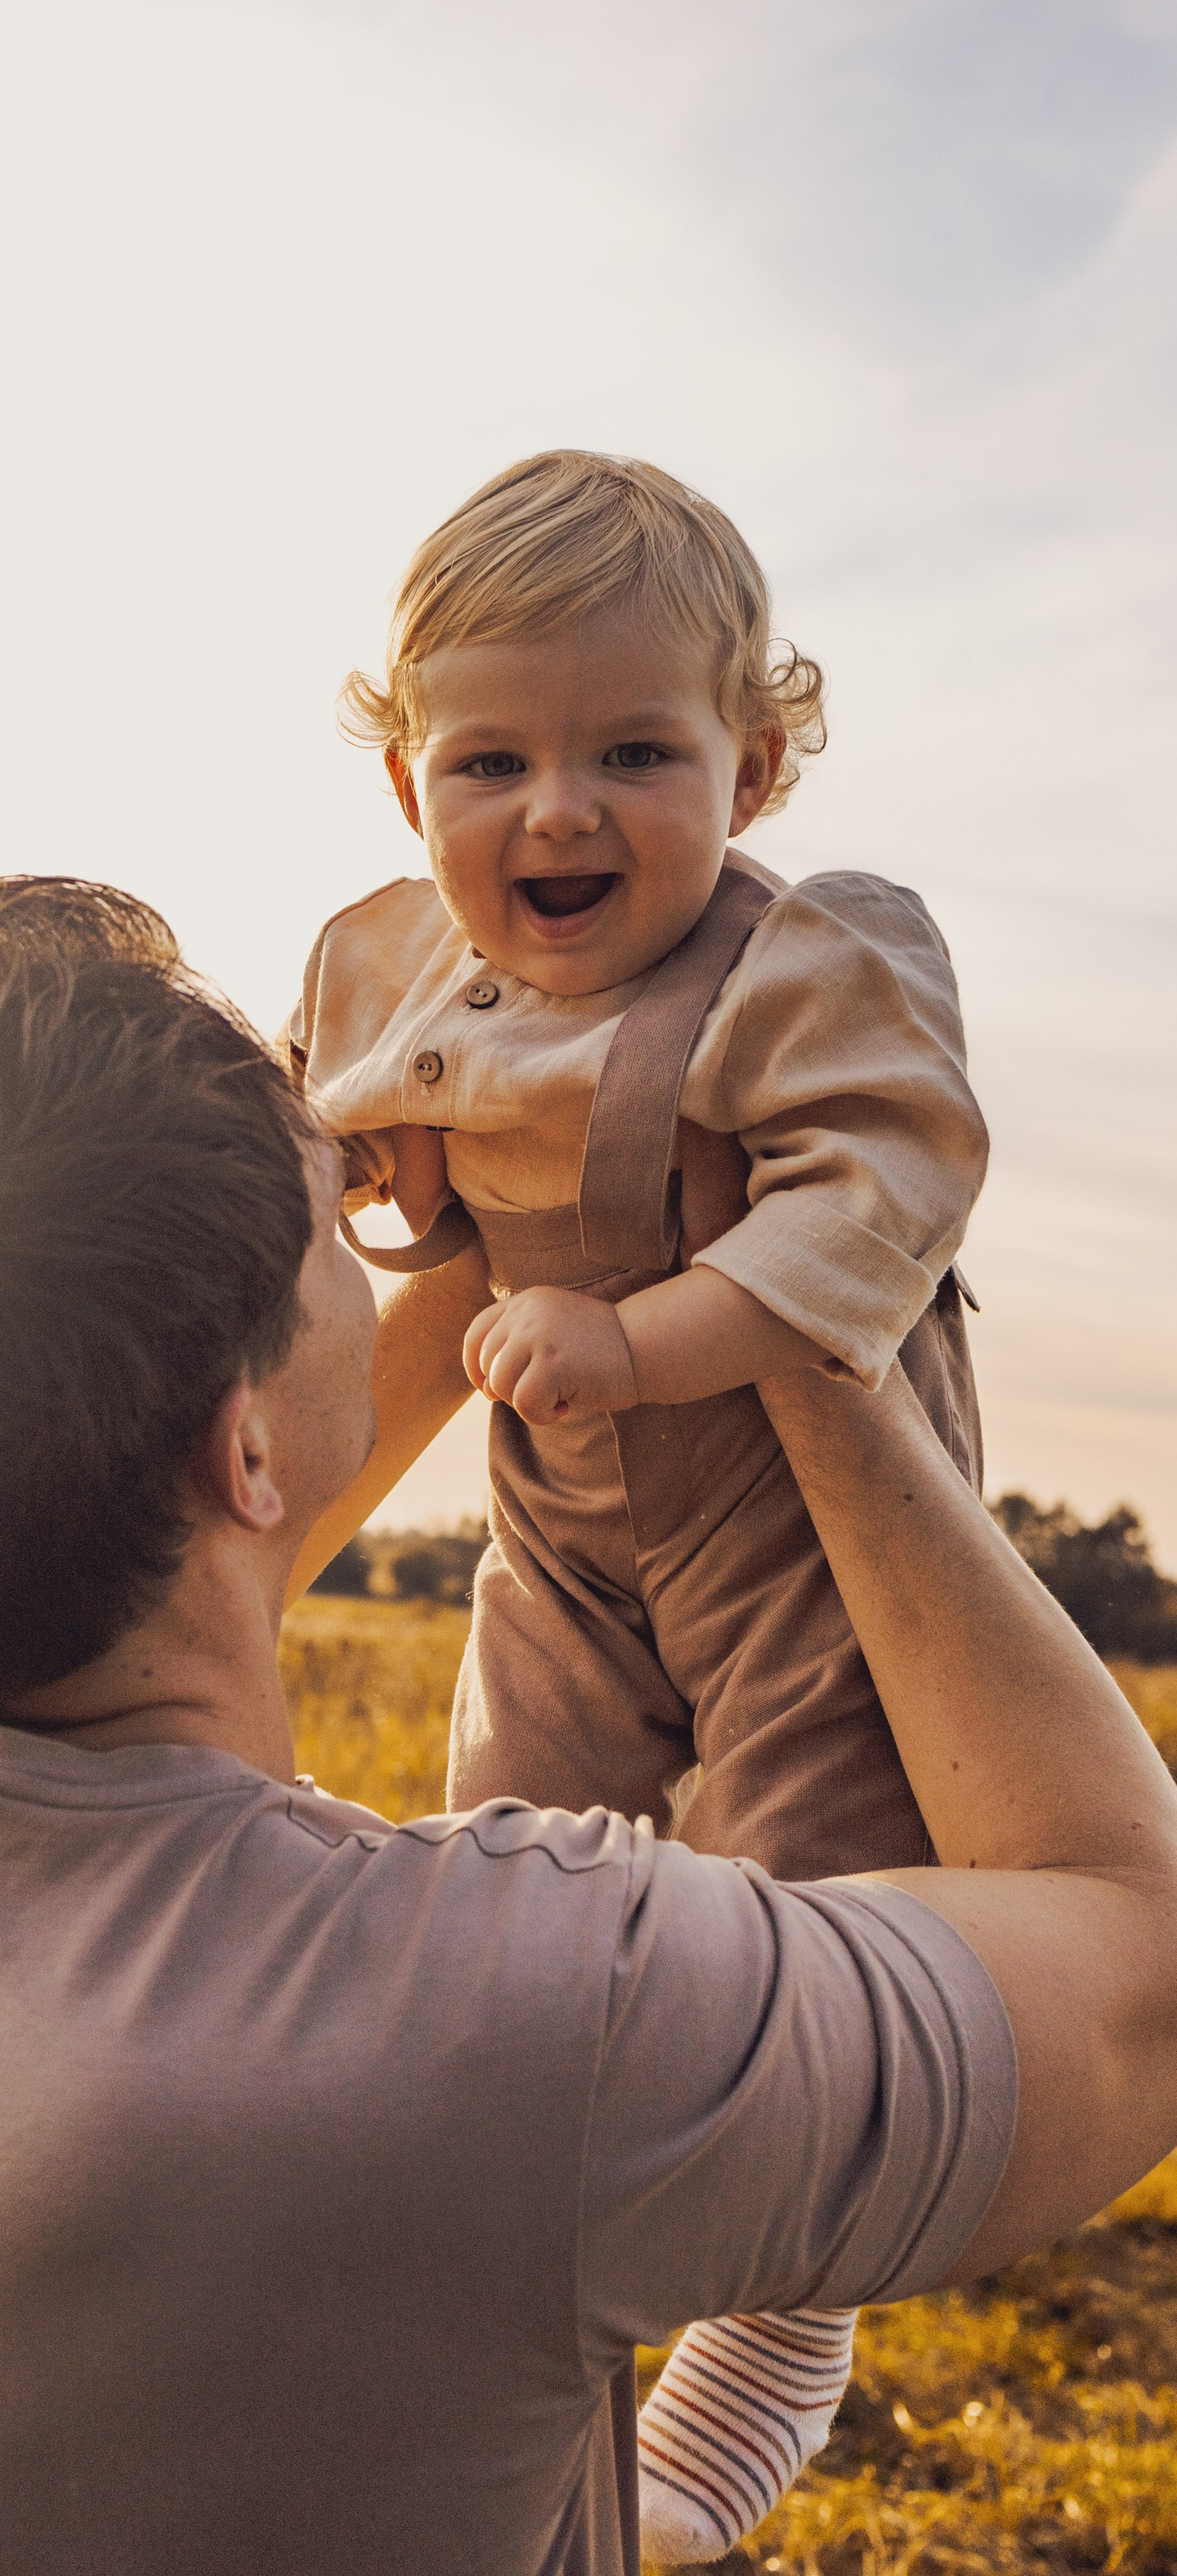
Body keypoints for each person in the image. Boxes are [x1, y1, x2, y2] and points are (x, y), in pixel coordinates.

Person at [0, 874, 1177, 2576]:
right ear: (244, 1448)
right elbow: (1137, 1974)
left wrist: (540, 1220)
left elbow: (149, 1542)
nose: (371, 1226)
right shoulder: (516, 2020)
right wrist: (790, 1311)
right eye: (331, 1229)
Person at [287, 449, 987, 2550]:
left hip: (797, 1510)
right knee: (524, 1862)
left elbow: (885, 1203)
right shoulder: (402, 968)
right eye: (486, 758)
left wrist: (654, 1331)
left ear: (756, 766)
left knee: (803, 1895)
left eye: (633, 750)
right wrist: (399, 1192)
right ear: (406, 781)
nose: (556, 811)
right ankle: (543, 2293)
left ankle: (781, 2314)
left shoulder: (807, 970)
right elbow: (386, 1153)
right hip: (567, 1525)